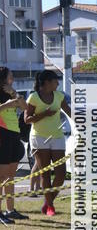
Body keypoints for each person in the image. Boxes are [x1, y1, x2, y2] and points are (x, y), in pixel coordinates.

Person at [25, 70, 71, 217]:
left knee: (61, 174)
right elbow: (27, 119)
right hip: (39, 137)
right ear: (46, 82)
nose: (58, 83)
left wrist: (87, 121)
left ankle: (47, 202)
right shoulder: (34, 97)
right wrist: (45, 114)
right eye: (55, 81)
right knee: (45, 174)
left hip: (57, 136)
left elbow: (70, 113)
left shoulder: (59, 96)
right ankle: (50, 206)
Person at [0, 68, 28, 224]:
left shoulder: (11, 92)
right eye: (11, 75)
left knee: (10, 177)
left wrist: (14, 94)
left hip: (14, 134)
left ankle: (10, 210)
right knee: (1, 177)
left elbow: (24, 107)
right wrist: (8, 104)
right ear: (3, 78)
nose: (13, 77)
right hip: (2, 133)